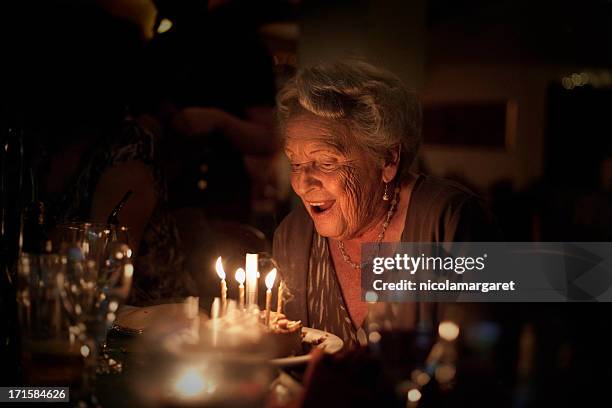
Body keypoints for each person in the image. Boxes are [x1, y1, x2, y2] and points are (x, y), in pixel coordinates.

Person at [273, 60, 498, 348]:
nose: (303, 183)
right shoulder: (293, 236)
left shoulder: (450, 220)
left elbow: (481, 364)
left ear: (388, 160)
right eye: (295, 162)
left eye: (327, 162)